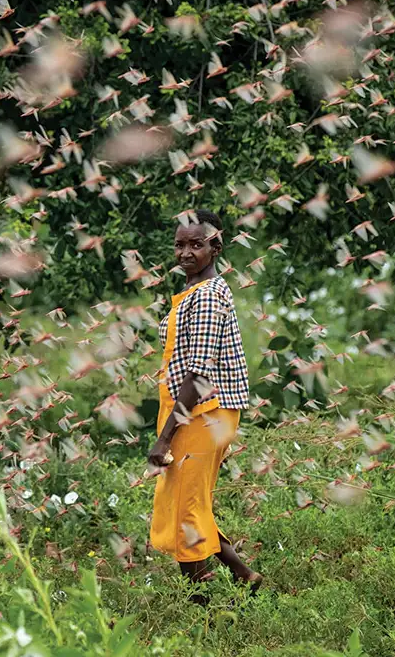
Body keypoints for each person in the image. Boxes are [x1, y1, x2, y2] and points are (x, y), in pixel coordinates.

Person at [147, 209, 261, 602]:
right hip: (193, 412)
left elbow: (198, 373)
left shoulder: (209, 297)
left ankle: (205, 613)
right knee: (190, 502)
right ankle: (244, 576)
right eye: (180, 244)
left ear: (216, 247)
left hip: (204, 413)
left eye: (196, 244)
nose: (186, 252)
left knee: (185, 513)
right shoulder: (194, 293)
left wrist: (164, 439)